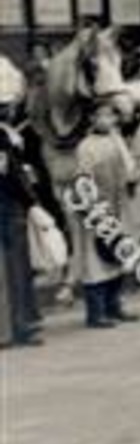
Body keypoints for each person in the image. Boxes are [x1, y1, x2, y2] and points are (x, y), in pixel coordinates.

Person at [74, 101, 140, 328]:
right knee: (95, 260)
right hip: (98, 207)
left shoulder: (117, 141)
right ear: (91, 119)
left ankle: (115, 305)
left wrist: (132, 179)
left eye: (110, 116)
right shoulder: (86, 146)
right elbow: (83, 179)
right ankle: (95, 312)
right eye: (101, 116)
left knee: (118, 255)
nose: (107, 120)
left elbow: (129, 168)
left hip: (119, 203)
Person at [1, 55, 47, 347]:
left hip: (9, 205)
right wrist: (33, 202)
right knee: (14, 268)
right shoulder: (5, 138)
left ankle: (15, 325)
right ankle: (16, 326)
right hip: (7, 207)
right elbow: (14, 176)